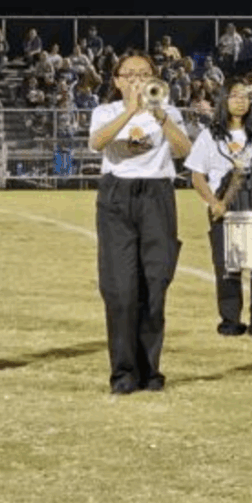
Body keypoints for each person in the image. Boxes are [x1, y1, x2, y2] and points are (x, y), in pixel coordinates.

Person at [88, 52, 191, 394]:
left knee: (155, 283)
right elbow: (97, 143)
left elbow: (183, 149)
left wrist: (158, 114)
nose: (136, 80)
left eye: (143, 74)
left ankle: (150, 371)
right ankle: (123, 373)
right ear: (116, 80)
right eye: (129, 74)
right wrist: (130, 111)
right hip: (117, 194)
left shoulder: (167, 111)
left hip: (157, 193)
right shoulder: (105, 112)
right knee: (120, 289)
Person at [185, 79, 252, 339]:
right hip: (225, 209)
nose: (240, 101)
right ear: (224, 101)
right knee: (227, 267)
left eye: (245, 96)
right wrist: (213, 202)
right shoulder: (210, 135)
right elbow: (197, 175)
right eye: (234, 96)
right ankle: (230, 321)